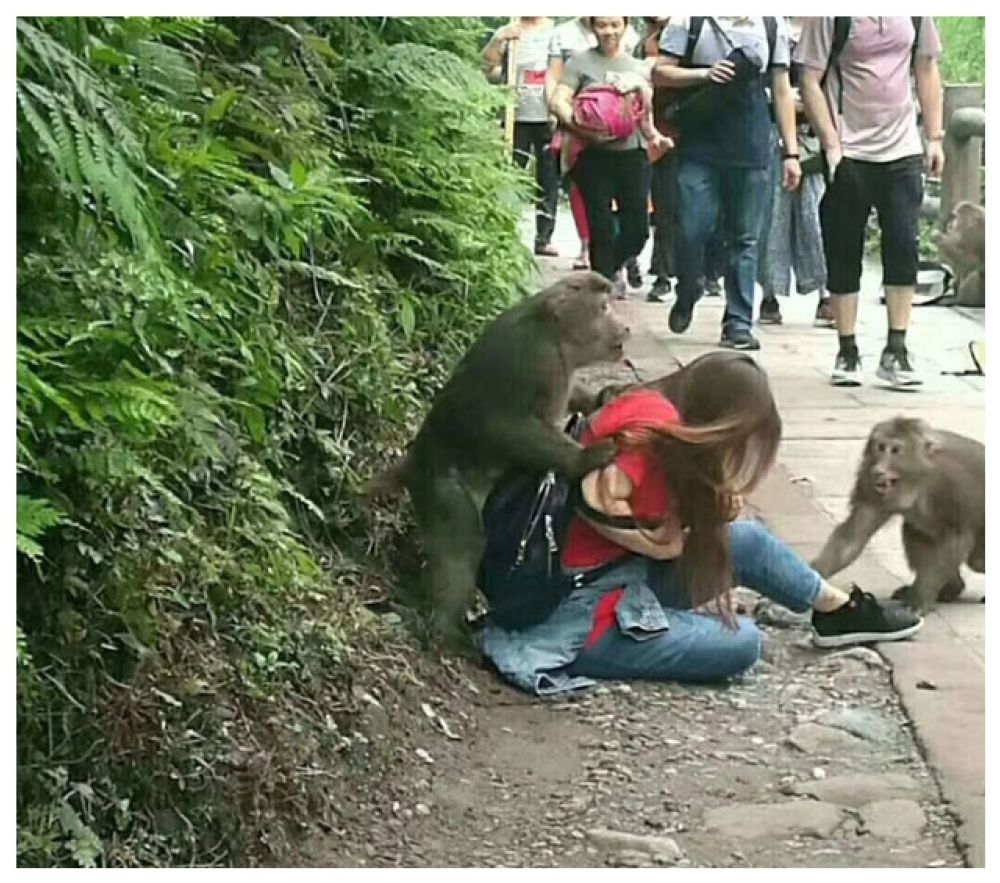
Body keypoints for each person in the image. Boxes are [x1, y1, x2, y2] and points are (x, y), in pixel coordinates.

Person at [479, 352, 924, 696]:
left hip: (608, 577)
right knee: (741, 643)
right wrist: (666, 545)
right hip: (573, 615)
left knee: (744, 540)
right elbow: (597, 497)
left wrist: (703, 510)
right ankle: (647, 631)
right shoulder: (651, 437)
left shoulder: (649, 405)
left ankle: (836, 611)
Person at [796, 17, 944, 387]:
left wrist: (935, 136)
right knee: (844, 247)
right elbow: (810, 78)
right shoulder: (830, 16)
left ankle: (897, 348)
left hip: (902, 148)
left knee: (903, 243)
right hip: (850, 150)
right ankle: (847, 349)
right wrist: (831, 143)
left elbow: (926, 67)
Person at [654, 17, 802, 351]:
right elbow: (660, 71)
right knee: (691, 228)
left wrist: (790, 151)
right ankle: (688, 288)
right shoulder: (688, 19)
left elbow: (780, 87)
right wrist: (704, 74)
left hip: (752, 145)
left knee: (745, 239)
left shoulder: (770, 22)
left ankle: (738, 322)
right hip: (699, 145)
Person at [549, 17, 667, 298]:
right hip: (594, 157)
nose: (609, 31)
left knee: (638, 231)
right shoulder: (579, 63)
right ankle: (599, 295)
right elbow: (558, 100)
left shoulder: (638, 67)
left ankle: (606, 273)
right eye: (602, 25)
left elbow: (645, 114)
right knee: (599, 228)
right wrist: (578, 125)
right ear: (592, 27)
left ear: (624, 25)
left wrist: (656, 137)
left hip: (632, 158)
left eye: (615, 24)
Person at [757, 17, 833, 328]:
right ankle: (769, 294)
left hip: (816, 137)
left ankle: (826, 293)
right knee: (772, 218)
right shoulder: (768, 23)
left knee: (816, 218)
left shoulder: (829, 25)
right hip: (769, 132)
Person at [482, 17, 561, 258]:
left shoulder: (554, 31)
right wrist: (499, 40)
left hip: (546, 114)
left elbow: (560, 71)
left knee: (548, 177)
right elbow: (489, 69)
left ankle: (544, 237)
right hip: (514, 114)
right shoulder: (509, 29)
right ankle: (506, 232)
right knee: (511, 173)